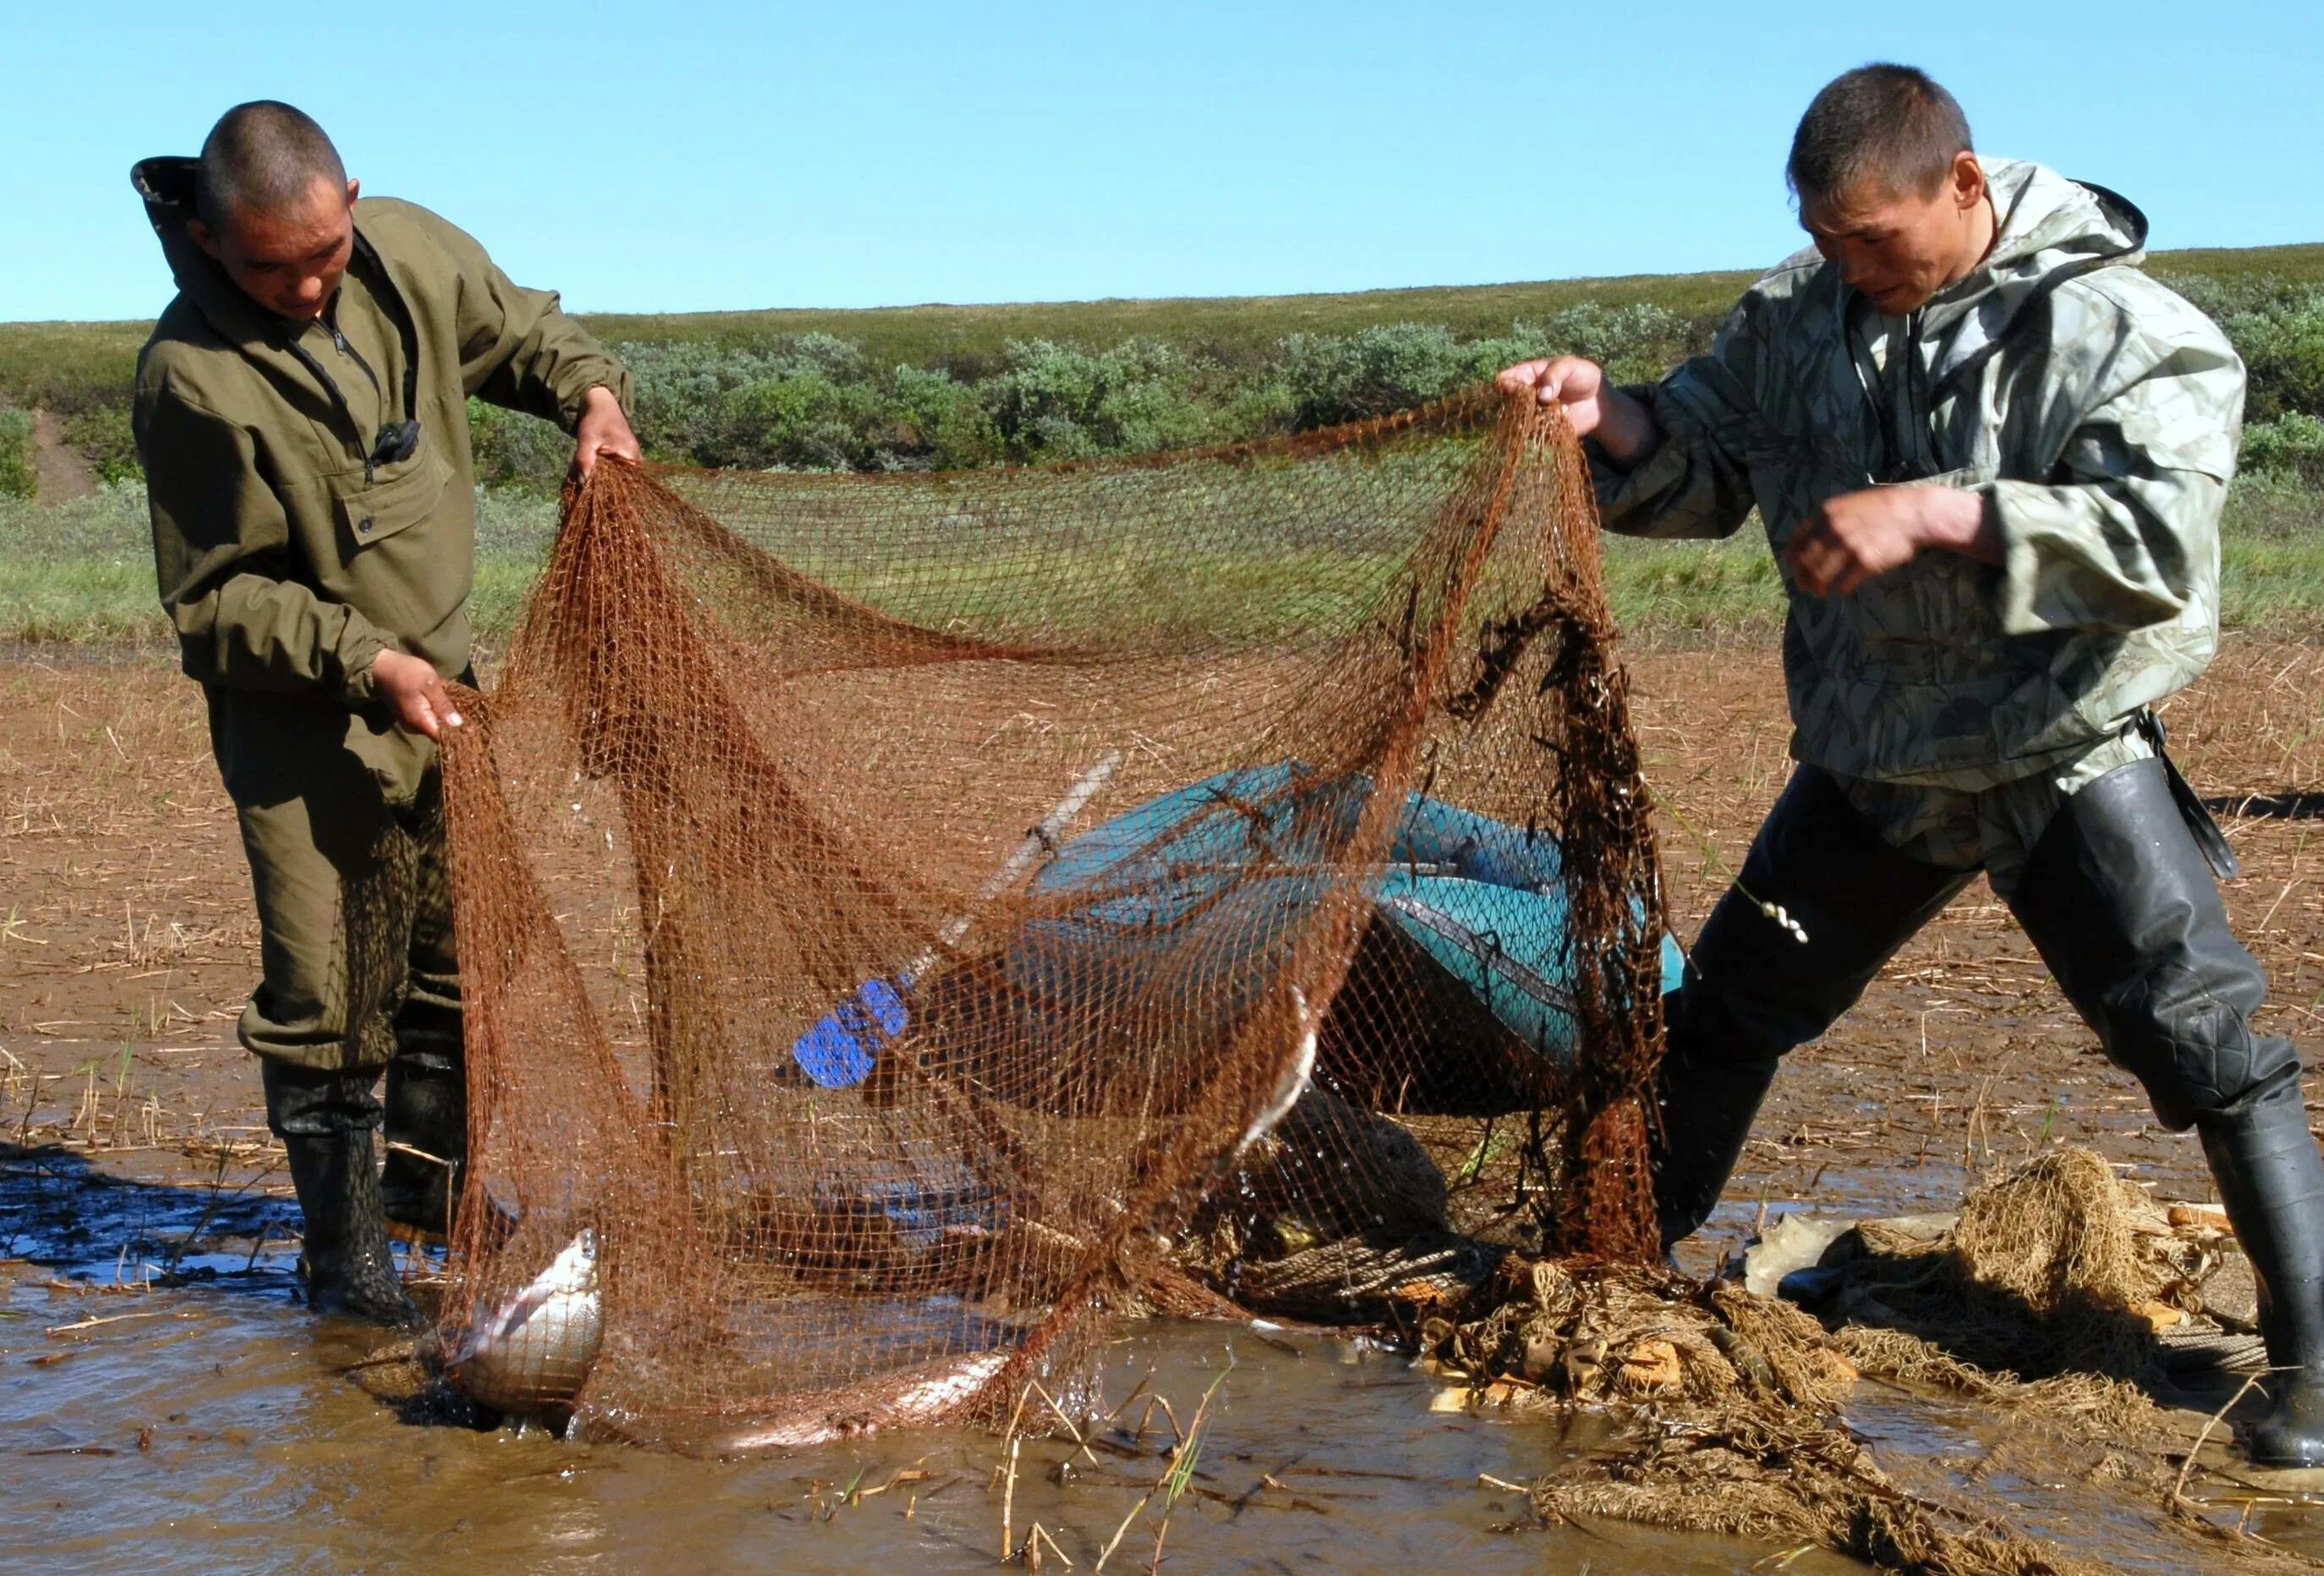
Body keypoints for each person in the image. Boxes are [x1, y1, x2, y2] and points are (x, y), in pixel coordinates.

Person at [1499, 63, 2324, 1466]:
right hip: (1873, 766)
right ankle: (1617, 1274)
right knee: (1728, 1014)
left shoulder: (2126, 329)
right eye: (1828, 243)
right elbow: (1702, 456)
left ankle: (2314, 1368)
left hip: (2055, 754)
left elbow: (2158, 555)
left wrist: (1943, 515)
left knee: (2211, 1048)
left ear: (1964, 182)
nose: (1850, 269)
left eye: (1876, 241)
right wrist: (1614, 418)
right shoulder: (1795, 314)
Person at [132, 102, 639, 1326]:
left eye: (324, 255)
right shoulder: (189, 379)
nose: (305, 287)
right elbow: (214, 607)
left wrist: (594, 400)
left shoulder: (407, 252)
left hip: (445, 701)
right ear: (205, 237)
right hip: (307, 722)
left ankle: (434, 1202)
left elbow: (526, 334)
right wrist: (369, 663)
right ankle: (346, 1268)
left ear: (352, 201)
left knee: (458, 966)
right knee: (323, 996)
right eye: (267, 266)